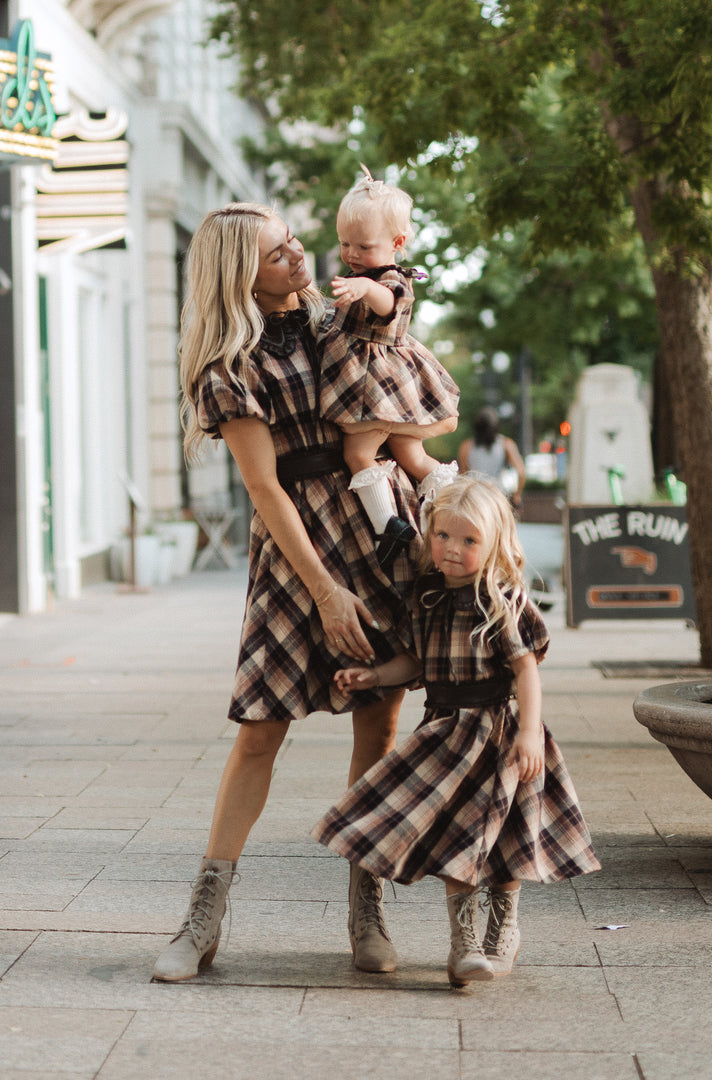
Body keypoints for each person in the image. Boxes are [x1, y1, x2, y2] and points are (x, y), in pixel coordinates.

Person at [153, 203, 422, 983]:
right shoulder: (228, 367)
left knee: (378, 719)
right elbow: (265, 489)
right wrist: (328, 594)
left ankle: (365, 906)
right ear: (241, 272)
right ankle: (202, 918)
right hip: (296, 549)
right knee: (260, 729)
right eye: (278, 253)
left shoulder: (336, 317)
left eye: (296, 241)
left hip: (375, 528)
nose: (299, 256)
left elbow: (400, 346)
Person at [311, 474, 600, 987]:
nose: (452, 550)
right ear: (430, 532)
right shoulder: (425, 597)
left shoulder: (499, 599)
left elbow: (526, 670)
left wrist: (529, 734)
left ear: (493, 545)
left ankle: (503, 924)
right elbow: (413, 663)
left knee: (508, 837)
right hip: (446, 734)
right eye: (443, 536)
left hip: (501, 734)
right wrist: (375, 675)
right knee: (459, 837)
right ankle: (463, 939)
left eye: (469, 541)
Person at [320, 167, 460, 567]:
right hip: (377, 385)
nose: (350, 255)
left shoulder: (392, 280)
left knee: (359, 454)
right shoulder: (362, 273)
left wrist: (365, 288)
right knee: (412, 457)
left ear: (397, 243)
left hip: (374, 388)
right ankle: (448, 504)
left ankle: (388, 526)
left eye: (362, 246)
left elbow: (388, 303)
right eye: (344, 244)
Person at [457, 406, 526, 510]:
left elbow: (463, 476)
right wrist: (517, 496)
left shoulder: (466, 447)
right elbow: (521, 472)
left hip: (474, 497)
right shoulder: (506, 444)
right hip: (497, 496)